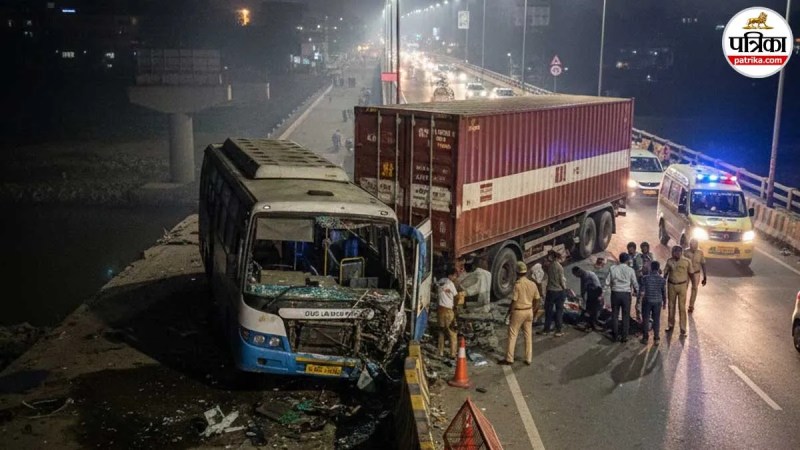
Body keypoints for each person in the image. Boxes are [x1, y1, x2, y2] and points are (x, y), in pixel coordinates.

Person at [499, 262, 541, 366]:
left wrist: (509, 313)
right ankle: (528, 358)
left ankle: (509, 358)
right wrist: (534, 310)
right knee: (528, 335)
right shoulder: (532, 284)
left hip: (518, 311)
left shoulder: (517, 285)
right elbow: (537, 300)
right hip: (529, 311)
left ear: (517, 272)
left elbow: (513, 301)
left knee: (513, 334)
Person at [607, 253, 639, 343]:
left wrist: (607, 289)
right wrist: (638, 291)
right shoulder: (630, 270)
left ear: (619, 259)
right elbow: (635, 283)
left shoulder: (613, 268)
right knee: (625, 316)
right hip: (626, 295)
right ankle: (624, 337)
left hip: (615, 293)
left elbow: (607, 281)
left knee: (615, 315)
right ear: (627, 260)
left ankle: (615, 336)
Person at [663, 245, 694, 336]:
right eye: (674, 252)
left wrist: (694, 285)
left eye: (678, 252)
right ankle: (670, 324)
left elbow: (691, 274)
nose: (676, 254)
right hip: (671, 285)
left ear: (681, 253)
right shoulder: (669, 261)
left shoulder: (687, 261)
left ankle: (683, 328)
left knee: (682, 307)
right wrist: (662, 282)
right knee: (671, 306)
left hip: (682, 286)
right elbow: (665, 273)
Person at [539, 250, 567, 337]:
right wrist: (565, 289)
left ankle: (546, 330)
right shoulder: (560, 267)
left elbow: (544, 271)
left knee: (548, 311)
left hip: (550, 291)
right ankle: (559, 330)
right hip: (559, 291)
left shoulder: (549, 266)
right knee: (559, 311)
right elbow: (561, 281)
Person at [640, 261, 666, 345]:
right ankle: (656, 338)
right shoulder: (662, 280)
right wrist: (665, 302)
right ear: (658, 269)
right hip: (658, 302)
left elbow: (642, 290)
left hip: (647, 301)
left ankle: (645, 338)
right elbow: (663, 292)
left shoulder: (645, 278)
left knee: (646, 319)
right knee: (656, 320)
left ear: (651, 268)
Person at [435, 267, 459, 358]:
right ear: (450, 275)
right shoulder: (450, 284)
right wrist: (455, 306)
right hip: (448, 311)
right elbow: (456, 296)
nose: (455, 278)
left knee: (441, 332)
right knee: (452, 332)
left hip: (440, 310)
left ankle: (440, 352)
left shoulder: (440, 282)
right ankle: (452, 354)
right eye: (454, 276)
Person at [571, 266, 603, 332]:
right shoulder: (587, 273)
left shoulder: (585, 276)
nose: (576, 277)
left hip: (595, 293)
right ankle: (592, 322)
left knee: (593, 309)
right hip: (595, 292)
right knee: (591, 308)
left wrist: (581, 299)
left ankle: (593, 325)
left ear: (578, 272)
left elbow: (583, 288)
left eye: (575, 275)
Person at [684, 238, 707, 313]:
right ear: (690, 245)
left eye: (695, 245)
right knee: (684, 289)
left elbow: (703, 264)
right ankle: (682, 304)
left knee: (694, 289)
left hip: (696, 273)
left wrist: (705, 277)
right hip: (687, 273)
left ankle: (691, 306)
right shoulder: (685, 252)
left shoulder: (700, 253)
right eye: (692, 245)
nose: (694, 247)